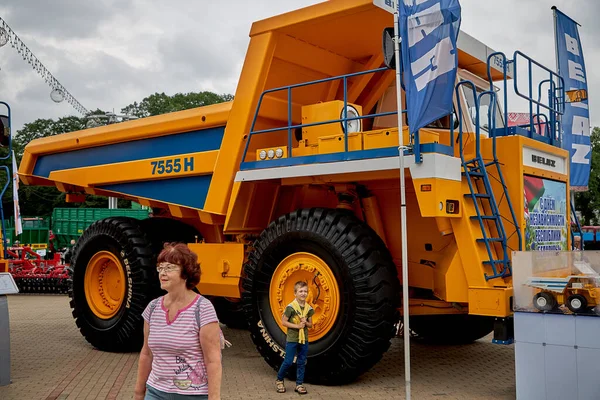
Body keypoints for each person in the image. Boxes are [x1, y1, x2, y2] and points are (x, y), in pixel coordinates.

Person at [134, 242, 223, 400]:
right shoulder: (152, 308)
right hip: (155, 392)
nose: (162, 273)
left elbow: (213, 360)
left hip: (193, 395)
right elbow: (146, 354)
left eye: (169, 268)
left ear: (186, 273)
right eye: (160, 268)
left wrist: (214, 397)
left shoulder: (202, 309)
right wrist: (139, 393)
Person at [275, 281, 314, 395]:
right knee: (288, 361)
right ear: (295, 293)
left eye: (305, 291)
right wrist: (297, 326)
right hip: (292, 338)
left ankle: (299, 384)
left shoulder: (309, 309)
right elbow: (284, 322)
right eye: (300, 291)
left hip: (304, 339)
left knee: (302, 361)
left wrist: (305, 322)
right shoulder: (290, 308)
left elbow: (310, 325)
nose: (303, 293)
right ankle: (279, 379)